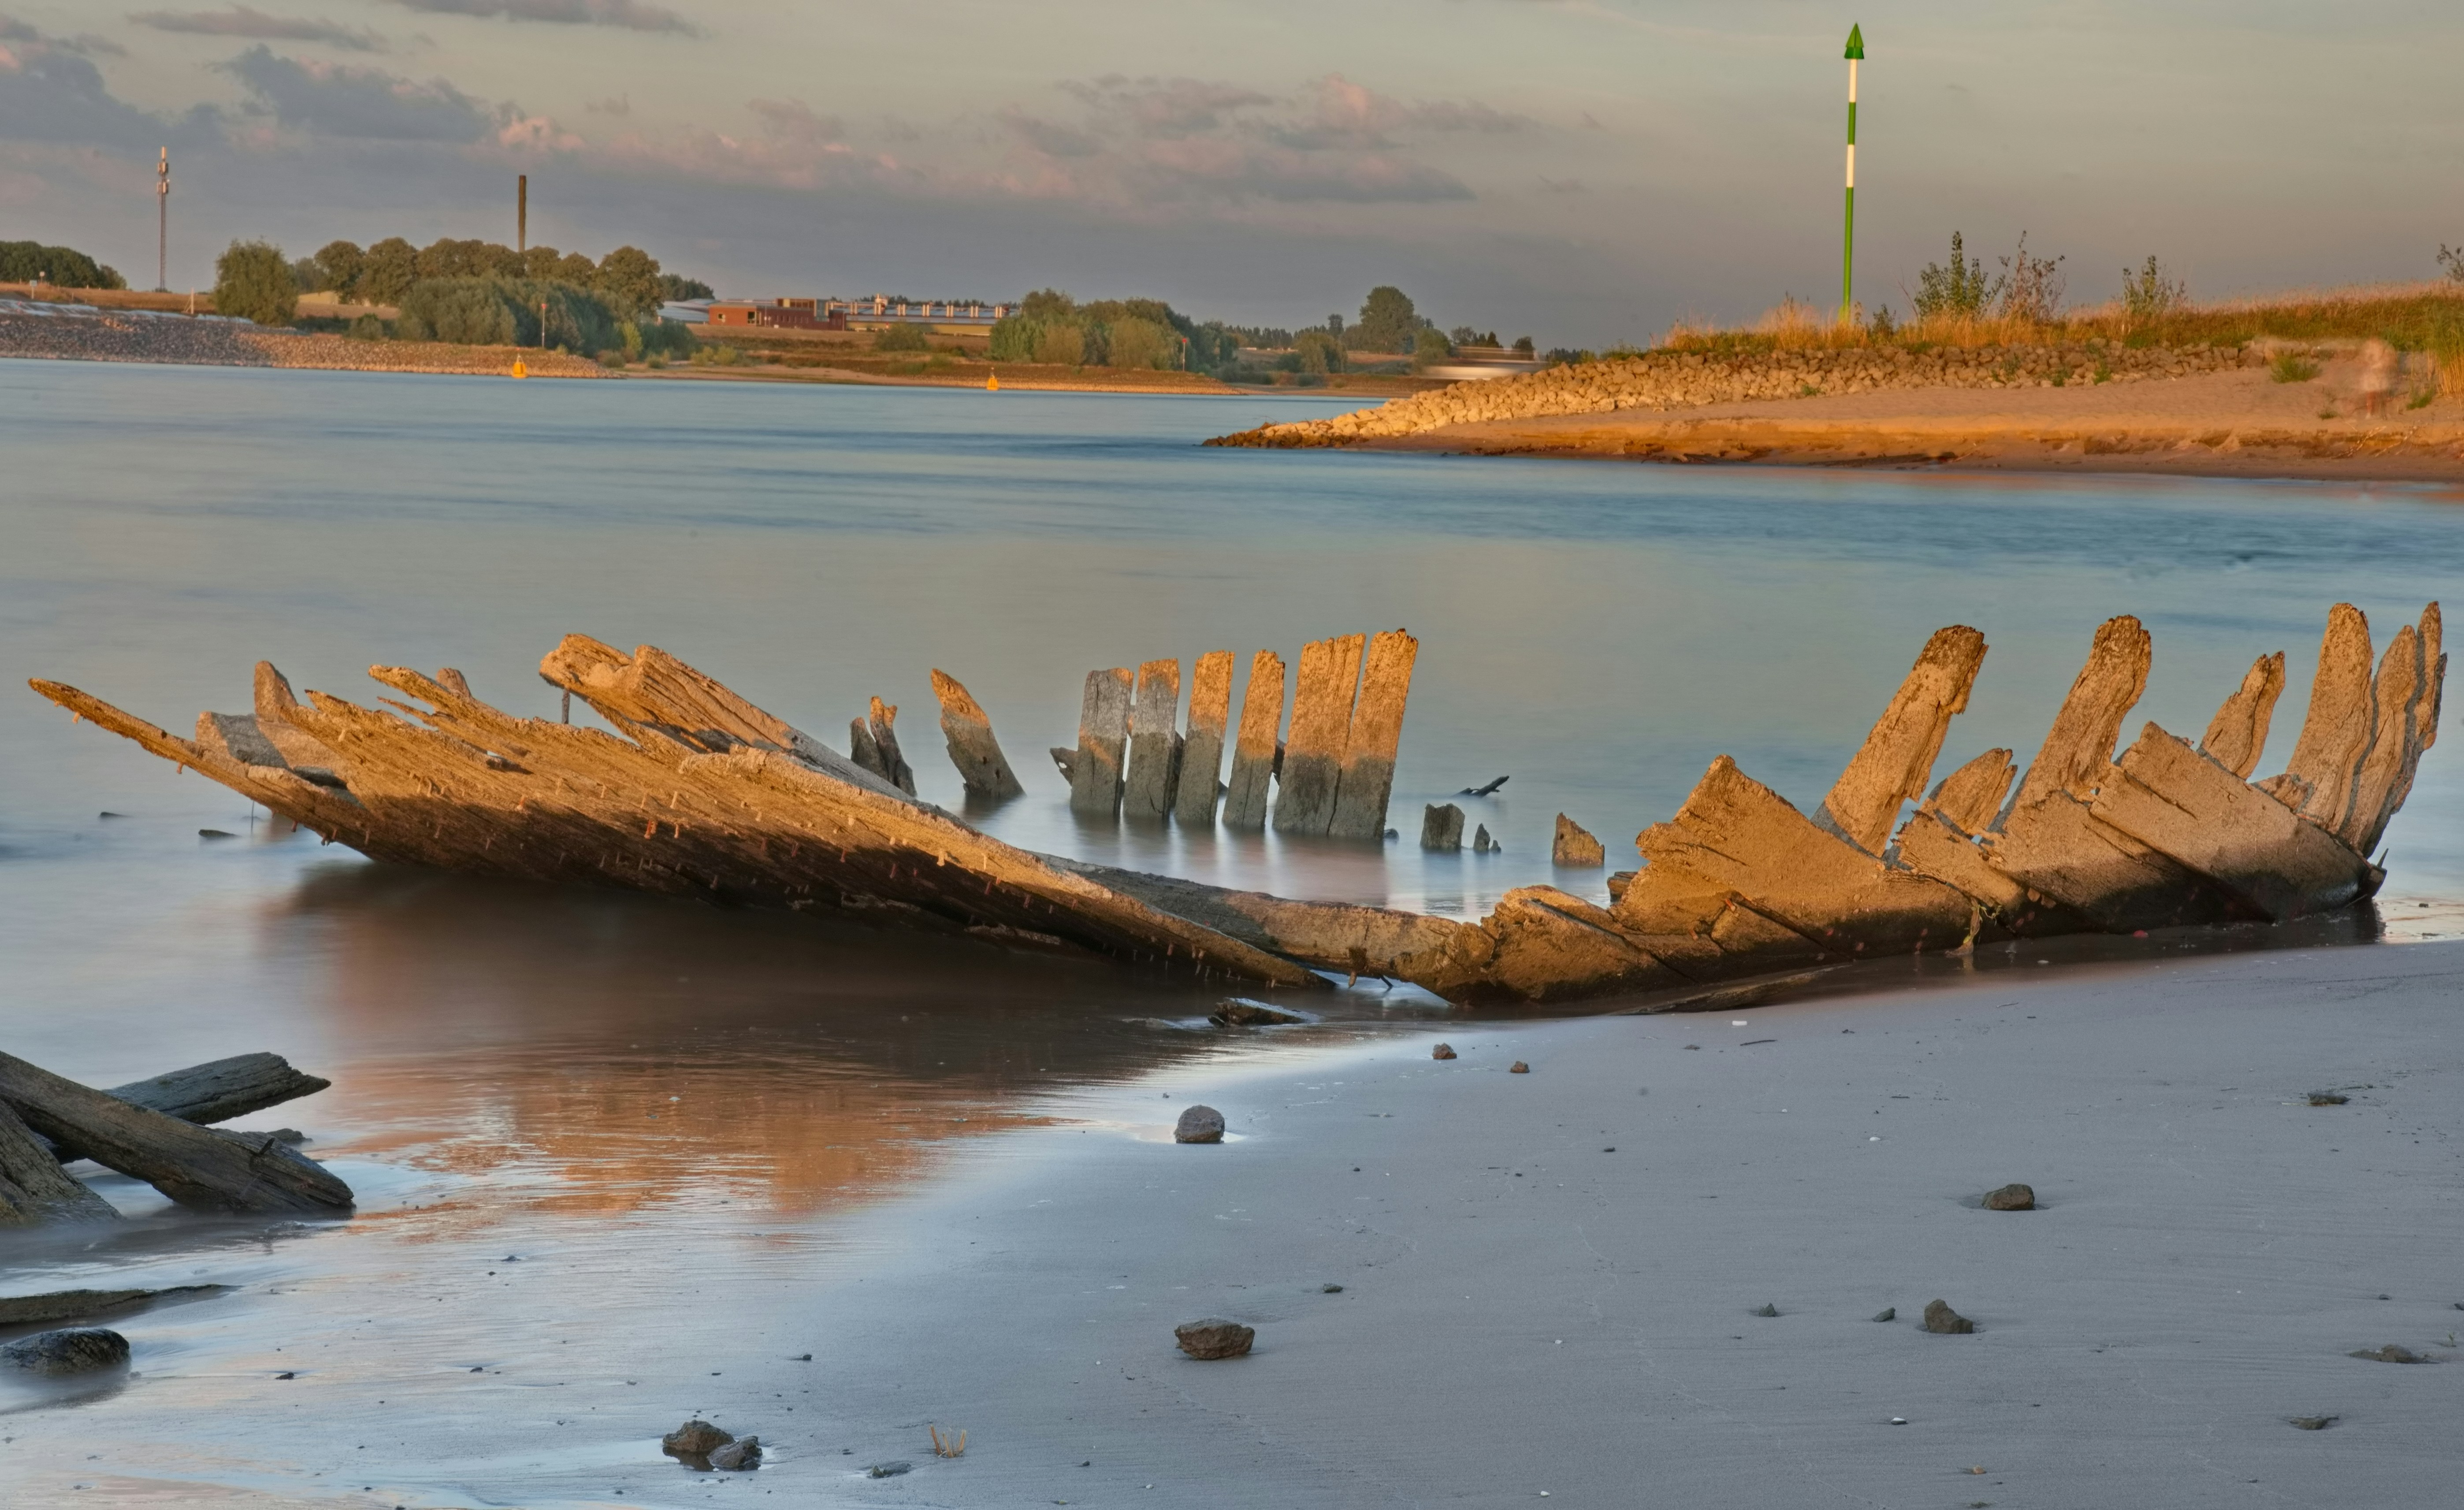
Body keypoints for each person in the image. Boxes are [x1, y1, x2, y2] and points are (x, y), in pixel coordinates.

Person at [2359, 337, 2397, 419]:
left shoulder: (2383, 345)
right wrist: (2370, 362)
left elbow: (2389, 360)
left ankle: (2382, 413)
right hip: (2371, 373)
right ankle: (2369, 413)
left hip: (2381, 373)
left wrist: (2385, 365)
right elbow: (2364, 359)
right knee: (2371, 394)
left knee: (2382, 394)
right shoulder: (2369, 345)